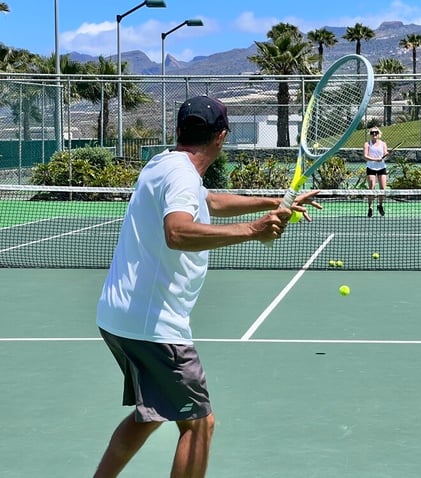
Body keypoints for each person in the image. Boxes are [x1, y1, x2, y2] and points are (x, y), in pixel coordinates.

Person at [94, 95, 320, 478]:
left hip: (119, 317)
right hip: (155, 327)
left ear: (179, 131)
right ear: (222, 136)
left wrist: (277, 201)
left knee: (150, 415)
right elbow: (177, 232)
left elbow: (208, 200)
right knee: (200, 424)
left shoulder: (165, 164)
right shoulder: (183, 175)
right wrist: (253, 230)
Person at [363, 127, 389, 217]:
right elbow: (365, 156)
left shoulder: (383, 144)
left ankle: (380, 205)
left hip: (382, 168)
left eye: (376, 132)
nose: (374, 134)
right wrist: (375, 159)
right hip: (371, 168)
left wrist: (386, 156)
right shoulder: (367, 144)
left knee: (383, 189)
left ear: (379, 134)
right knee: (372, 187)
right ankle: (370, 208)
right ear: (370, 134)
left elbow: (385, 155)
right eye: (372, 132)